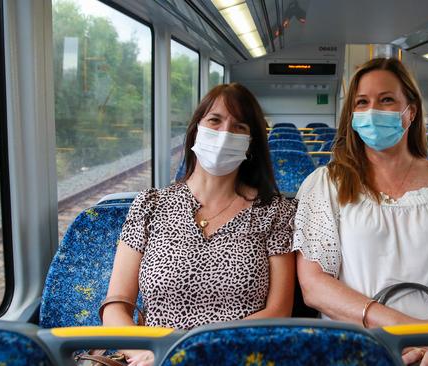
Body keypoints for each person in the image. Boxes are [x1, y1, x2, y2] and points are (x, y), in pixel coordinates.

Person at [293, 58, 428, 366]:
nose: (373, 111)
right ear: (352, 116)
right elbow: (314, 285)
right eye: (363, 102)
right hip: (357, 348)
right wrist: (407, 329)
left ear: (411, 111)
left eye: (386, 100)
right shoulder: (326, 185)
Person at [102, 83, 297, 366]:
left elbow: (278, 311)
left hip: (236, 357)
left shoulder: (276, 212)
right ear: (196, 130)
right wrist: (147, 352)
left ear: (251, 143)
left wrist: (198, 356)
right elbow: (116, 306)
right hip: (154, 358)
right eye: (215, 121)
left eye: (239, 126)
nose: (224, 133)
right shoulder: (150, 205)